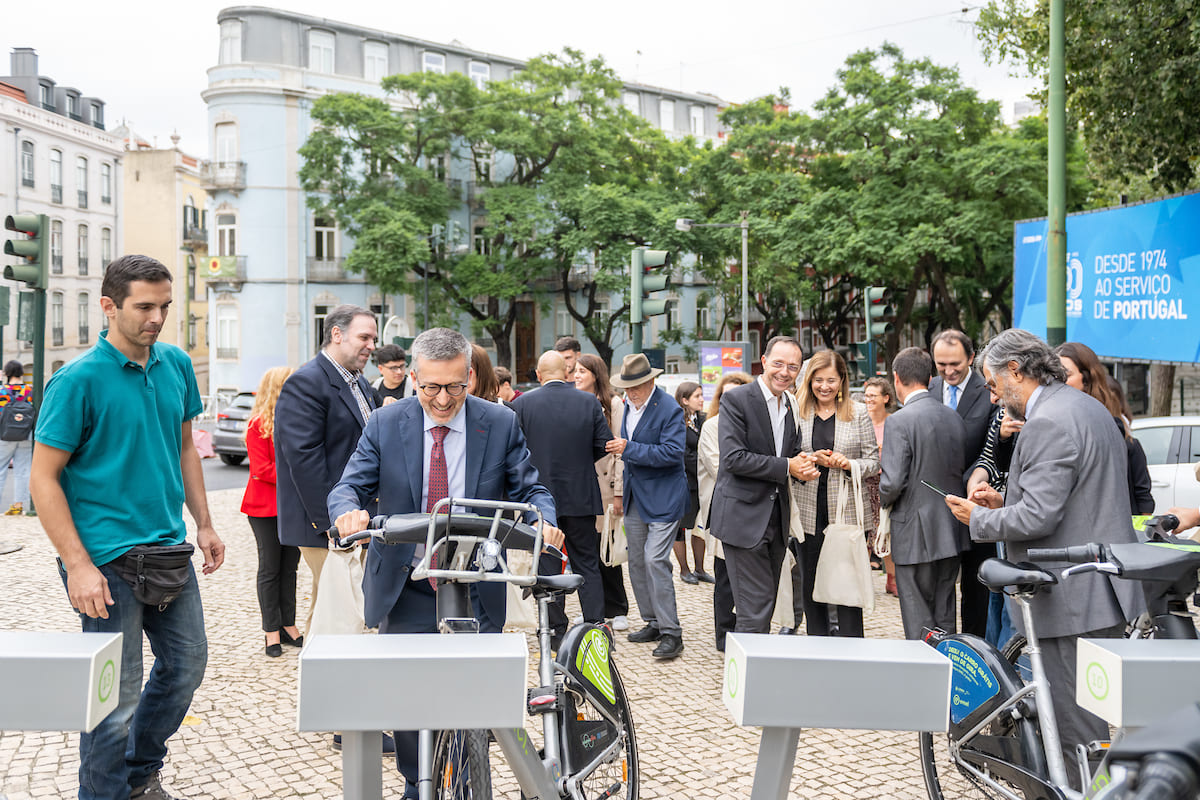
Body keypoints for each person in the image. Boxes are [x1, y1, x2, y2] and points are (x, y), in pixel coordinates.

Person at [328, 327, 563, 799]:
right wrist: (348, 512)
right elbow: (347, 486)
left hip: (475, 582)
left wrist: (546, 522)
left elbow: (531, 490)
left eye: (454, 386)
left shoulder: (498, 422)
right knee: (408, 705)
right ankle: (420, 782)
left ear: (470, 377)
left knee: (469, 702)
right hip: (406, 583)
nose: (441, 399)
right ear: (413, 378)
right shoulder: (384, 423)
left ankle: (459, 781)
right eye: (430, 386)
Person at [30, 254, 225, 800]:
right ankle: (105, 793)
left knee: (187, 665)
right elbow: (43, 480)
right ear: (109, 306)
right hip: (104, 560)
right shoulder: (77, 381)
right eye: (144, 306)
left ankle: (139, 773)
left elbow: (185, 447)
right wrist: (77, 565)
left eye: (164, 306)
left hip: (168, 548)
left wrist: (204, 523)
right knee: (115, 694)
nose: (156, 317)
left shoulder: (177, 365)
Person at [945, 329, 1144, 788]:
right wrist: (1003, 502)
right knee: (1091, 722)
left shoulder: (1047, 421)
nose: (994, 398)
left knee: (1077, 732)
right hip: (1100, 588)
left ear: (1015, 370)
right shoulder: (1088, 408)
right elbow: (1076, 498)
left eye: (993, 385)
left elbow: (1037, 516)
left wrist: (977, 518)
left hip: (1069, 594)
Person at [274, 304, 378, 637]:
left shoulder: (359, 384)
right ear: (336, 334)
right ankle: (322, 675)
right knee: (334, 609)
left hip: (355, 520)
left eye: (373, 338)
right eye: (364, 337)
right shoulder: (306, 382)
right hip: (326, 525)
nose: (372, 346)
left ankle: (331, 674)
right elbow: (304, 461)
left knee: (341, 606)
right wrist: (333, 525)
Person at [709, 337, 814, 635]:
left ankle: (748, 674)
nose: (784, 372)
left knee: (764, 605)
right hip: (743, 520)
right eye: (778, 363)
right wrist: (787, 466)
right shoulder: (737, 399)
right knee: (754, 609)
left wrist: (803, 464)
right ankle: (744, 680)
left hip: (775, 519)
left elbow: (786, 455)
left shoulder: (790, 404)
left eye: (792, 367)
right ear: (764, 361)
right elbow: (733, 459)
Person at [511, 351, 612, 643]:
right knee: (587, 562)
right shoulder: (587, 401)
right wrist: (581, 463)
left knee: (548, 562)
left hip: (540, 497)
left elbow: (517, 452)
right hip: (581, 493)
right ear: (567, 374)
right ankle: (596, 627)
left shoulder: (522, 404)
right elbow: (603, 444)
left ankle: (555, 631)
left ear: (539, 376)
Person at [878, 347, 969, 640]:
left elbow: (892, 482)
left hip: (913, 529)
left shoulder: (899, 421)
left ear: (896, 378)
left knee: (918, 616)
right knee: (945, 611)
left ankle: (924, 676)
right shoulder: (953, 417)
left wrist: (879, 503)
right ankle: (951, 674)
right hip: (952, 526)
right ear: (930, 378)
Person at [605, 352, 688, 659]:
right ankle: (652, 621)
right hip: (636, 496)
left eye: (637, 385)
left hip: (665, 496)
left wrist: (629, 448)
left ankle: (671, 632)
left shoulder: (668, 408)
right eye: (627, 386)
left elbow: (672, 453)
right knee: (637, 561)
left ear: (652, 380)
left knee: (655, 560)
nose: (631, 392)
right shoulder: (627, 405)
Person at [792, 349, 879, 638]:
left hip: (846, 512)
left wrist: (849, 463)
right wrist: (809, 457)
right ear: (809, 380)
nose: (824, 387)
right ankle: (818, 642)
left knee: (846, 585)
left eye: (831, 380)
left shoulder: (859, 413)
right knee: (811, 584)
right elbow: (790, 455)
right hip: (808, 508)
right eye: (818, 380)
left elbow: (873, 462)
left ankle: (851, 646)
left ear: (842, 380)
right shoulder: (798, 411)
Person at [929, 329, 994, 637]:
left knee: (976, 589)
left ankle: (976, 649)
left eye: (955, 363)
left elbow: (992, 449)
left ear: (970, 358)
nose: (949, 371)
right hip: (937, 506)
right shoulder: (930, 389)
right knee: (938, 587)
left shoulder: (988, 391)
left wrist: (973, 484)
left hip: (975, 501)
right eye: (941, 364)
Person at [240, 366, 302, 658]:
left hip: (293, 506)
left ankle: (288, 624)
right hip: (264, 508)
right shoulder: (257, 425)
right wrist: (298, 473)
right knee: (270, 568)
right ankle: (271, 631)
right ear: (278, 388)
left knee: (290, 568)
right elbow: (262, 469)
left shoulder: (298, 421)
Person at [1055, 342, 1154, 514]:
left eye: (1066, 374)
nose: (1059, 381)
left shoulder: (1109, 427)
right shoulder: (1047, 420)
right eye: (1054, 374)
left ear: (1087, 379)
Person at [696, 371, 753, 650]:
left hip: (753, 511)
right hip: (725, 509)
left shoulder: (754, 424)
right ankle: (724, 634)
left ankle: (749, 629)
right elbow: (722, 469)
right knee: (726, 576)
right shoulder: (711, 427)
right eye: (725, 395)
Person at [574, 353, 629, 630]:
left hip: (607, 486)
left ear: (595, 374)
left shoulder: (613, 403)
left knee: (609, 548)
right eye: (574, 371)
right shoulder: (575, 401)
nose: (576, 375)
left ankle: (618, 607)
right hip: (584, 484)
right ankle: (593, 608)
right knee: (589, 550)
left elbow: (620, 449)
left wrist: (619, 491)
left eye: (582, 371)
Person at [673, 381, 711, 584]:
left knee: (699, 526)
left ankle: (700, 568)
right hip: (683, 483)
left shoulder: (703, 419)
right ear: (684, 400)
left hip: (701, 482)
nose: (702, 399)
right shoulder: (676, 421)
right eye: (697, 396)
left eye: (702, 395)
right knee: (681, 527)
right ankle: (684, 569)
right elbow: (683, 454)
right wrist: (704, 462)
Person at [862, 376, 896, 595]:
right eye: (866, 396)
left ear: (886, 398)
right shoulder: (859, 420)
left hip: (885, 484)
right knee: (863, 535)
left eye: (873, 396)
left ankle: (892, 578)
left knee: (886, 533)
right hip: (864, 484)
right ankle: (862, 582)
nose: (868, 400)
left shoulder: (893, 422)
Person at [0, 360, 34, 515]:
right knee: (23, 470)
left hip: (4, 434)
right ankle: (18, 505)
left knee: (1, 470)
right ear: (21, 373)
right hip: (25, 434)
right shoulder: (30, 390)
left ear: (6, 373)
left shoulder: (2, 391)